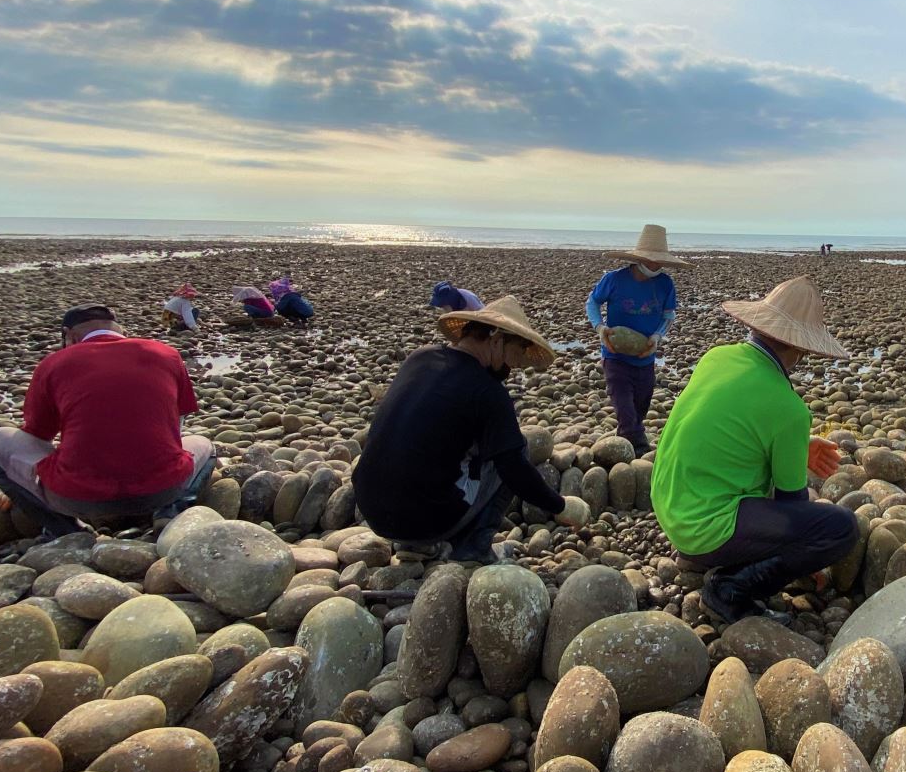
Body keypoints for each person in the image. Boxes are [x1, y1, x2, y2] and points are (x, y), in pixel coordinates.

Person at [652, 276, 858, 624]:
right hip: (705, 528)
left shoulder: (716, 358)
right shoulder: (789, 409)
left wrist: (796, 449)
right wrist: (802, 562)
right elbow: (792, 510)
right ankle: (730, 589)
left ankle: (703, 554)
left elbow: (725, 432)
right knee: (841, 528)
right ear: (802, 349)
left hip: (670, 508)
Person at [352, 296, 583, 563]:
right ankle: (474, 546)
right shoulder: (488, 392)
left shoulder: (420, 357)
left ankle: (416, 545)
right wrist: (560, 506)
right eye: (515, 355)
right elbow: (514, 469)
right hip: (423, 522)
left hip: (371, 510)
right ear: (496, 339)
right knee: (516, 446)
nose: (512, 368)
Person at [0, 303, 216, 538]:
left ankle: (66, 530)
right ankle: (169, 509)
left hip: (77, 497)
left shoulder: (53, 363)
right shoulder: (166, 353)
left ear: (70, 335)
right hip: (162, 488)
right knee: (205, 445)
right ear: (120, 330)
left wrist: (22, 475)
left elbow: (37, 434)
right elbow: (178, 420)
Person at [585, 224, 688, 458]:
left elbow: (668, 315)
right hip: (615, 357)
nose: (656, 266)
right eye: (652, 261)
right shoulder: (614, 280)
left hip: (645, 358)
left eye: (659, 262)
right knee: (624, 407)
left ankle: (623, 447)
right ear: (639, 258)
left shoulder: (665, 283)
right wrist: (600, 328)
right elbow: (592, 302)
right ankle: (639, 454)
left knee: (640, 407)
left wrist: (657, 337)